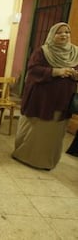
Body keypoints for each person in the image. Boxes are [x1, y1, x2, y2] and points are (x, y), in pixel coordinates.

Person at [12, 22, 78, 170]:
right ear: (52, 35)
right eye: (59, 32)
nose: (63, 35)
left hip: (63, 100)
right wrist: (55, 72)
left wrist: (74, 75)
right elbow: (33, 70)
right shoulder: (42, 52)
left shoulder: (75, 53)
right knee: (36, 130)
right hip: (41, 100)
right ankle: (25, 156)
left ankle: (46, 162)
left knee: (54, 134)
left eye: (67, 32)